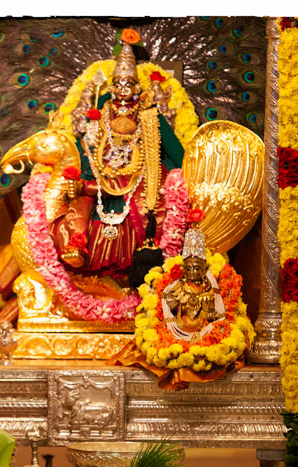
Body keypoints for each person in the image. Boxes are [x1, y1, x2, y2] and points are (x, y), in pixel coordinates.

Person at [60, 36, 184, 287]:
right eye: (118, 83)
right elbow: (88, 147)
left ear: (137, 88)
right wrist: (83, 174)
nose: (123, 88)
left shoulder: (148, 113)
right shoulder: (102, 110)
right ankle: (78, 246)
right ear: (112, 86)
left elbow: (173, 152)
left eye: (128, 83)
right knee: (80, 197)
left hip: (138, 175)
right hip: (102, 173)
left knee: (149, 202)